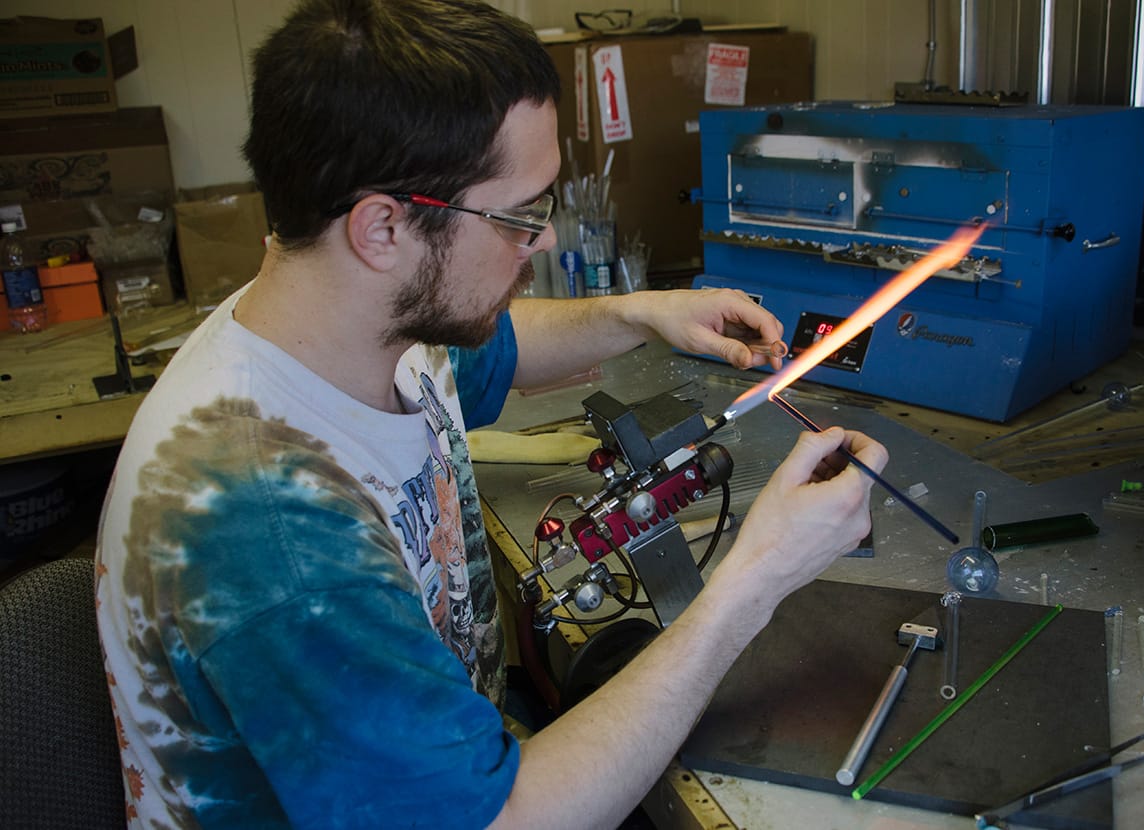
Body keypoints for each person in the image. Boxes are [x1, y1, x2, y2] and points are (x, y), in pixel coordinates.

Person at [94, 1, 888, 827]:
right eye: (519, 215)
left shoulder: (347, 316)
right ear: (382, 227)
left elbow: (487, 349)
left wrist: (640, 312)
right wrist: (755, 581)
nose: (543, 242)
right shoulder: (271, 533)